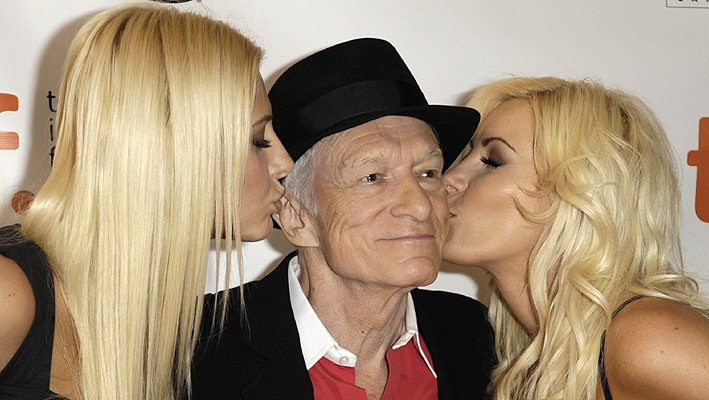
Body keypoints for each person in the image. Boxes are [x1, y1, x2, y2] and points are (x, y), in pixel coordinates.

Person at [0, 3, 293, 400]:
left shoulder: (161, 319)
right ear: (170, 151)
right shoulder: (8, 295)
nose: (284, 163)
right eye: (257, 140)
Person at [191, 38, 495, 400]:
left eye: (428, 173)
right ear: (296, 216)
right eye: (372, 177)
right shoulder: (194, 353)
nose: (420, 206)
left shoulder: (478, 337)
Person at [443, 76, 709, 400]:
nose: (449, 178)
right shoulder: (529, 356)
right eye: (466, 155)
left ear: (577, 192)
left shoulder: (644, 338)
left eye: (492, 161)